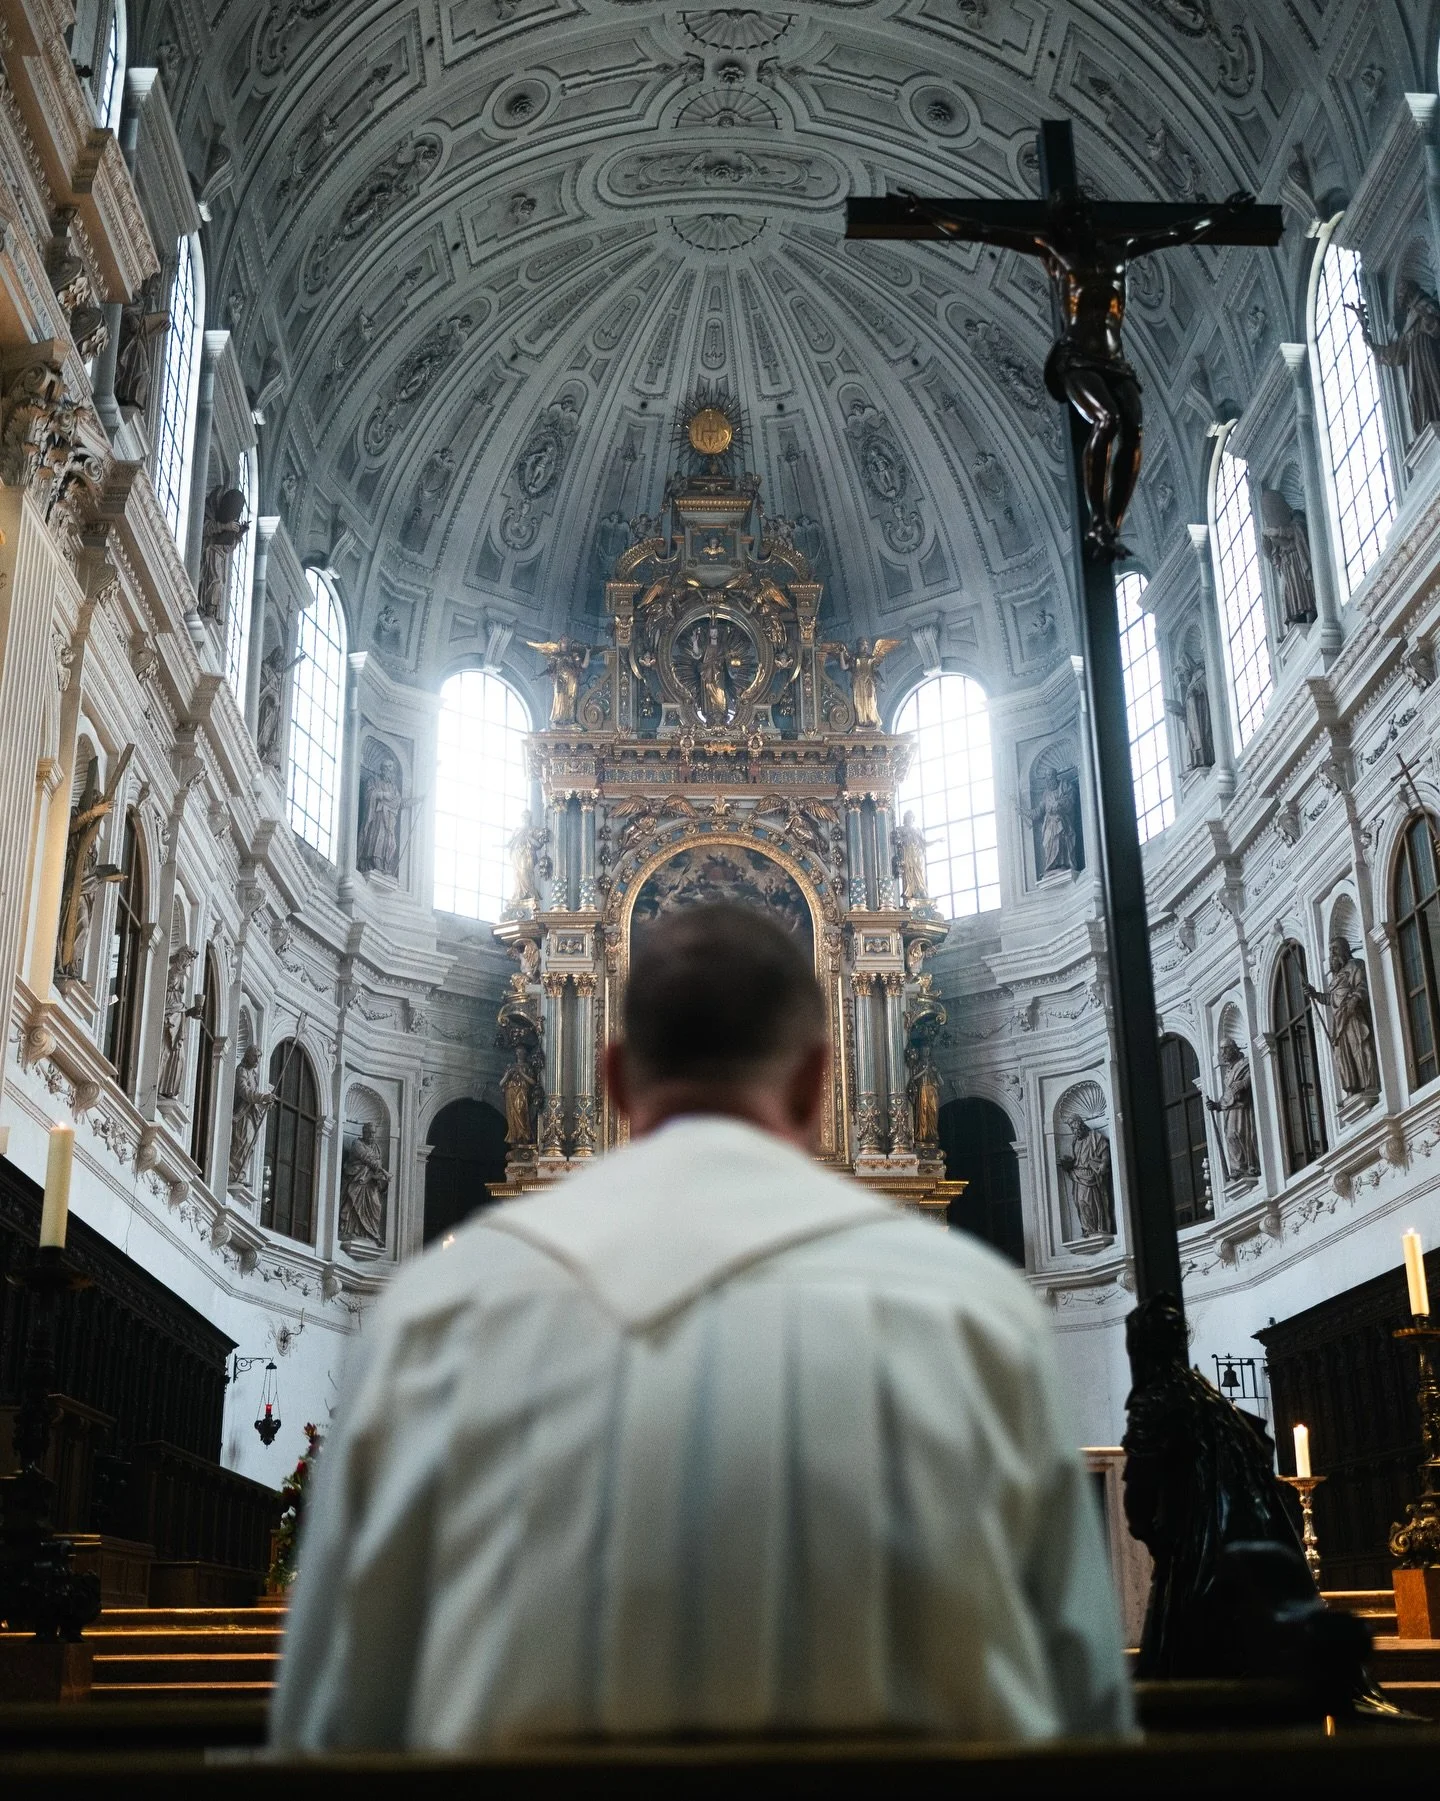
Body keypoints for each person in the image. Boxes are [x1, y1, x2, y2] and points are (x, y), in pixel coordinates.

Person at [272, 904, 1130, 1749]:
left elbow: (333, 1725)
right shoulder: (981, 1316)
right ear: (814, 1077)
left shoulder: (434, 1315)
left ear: (612, 1075)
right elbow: (1084, 1708)